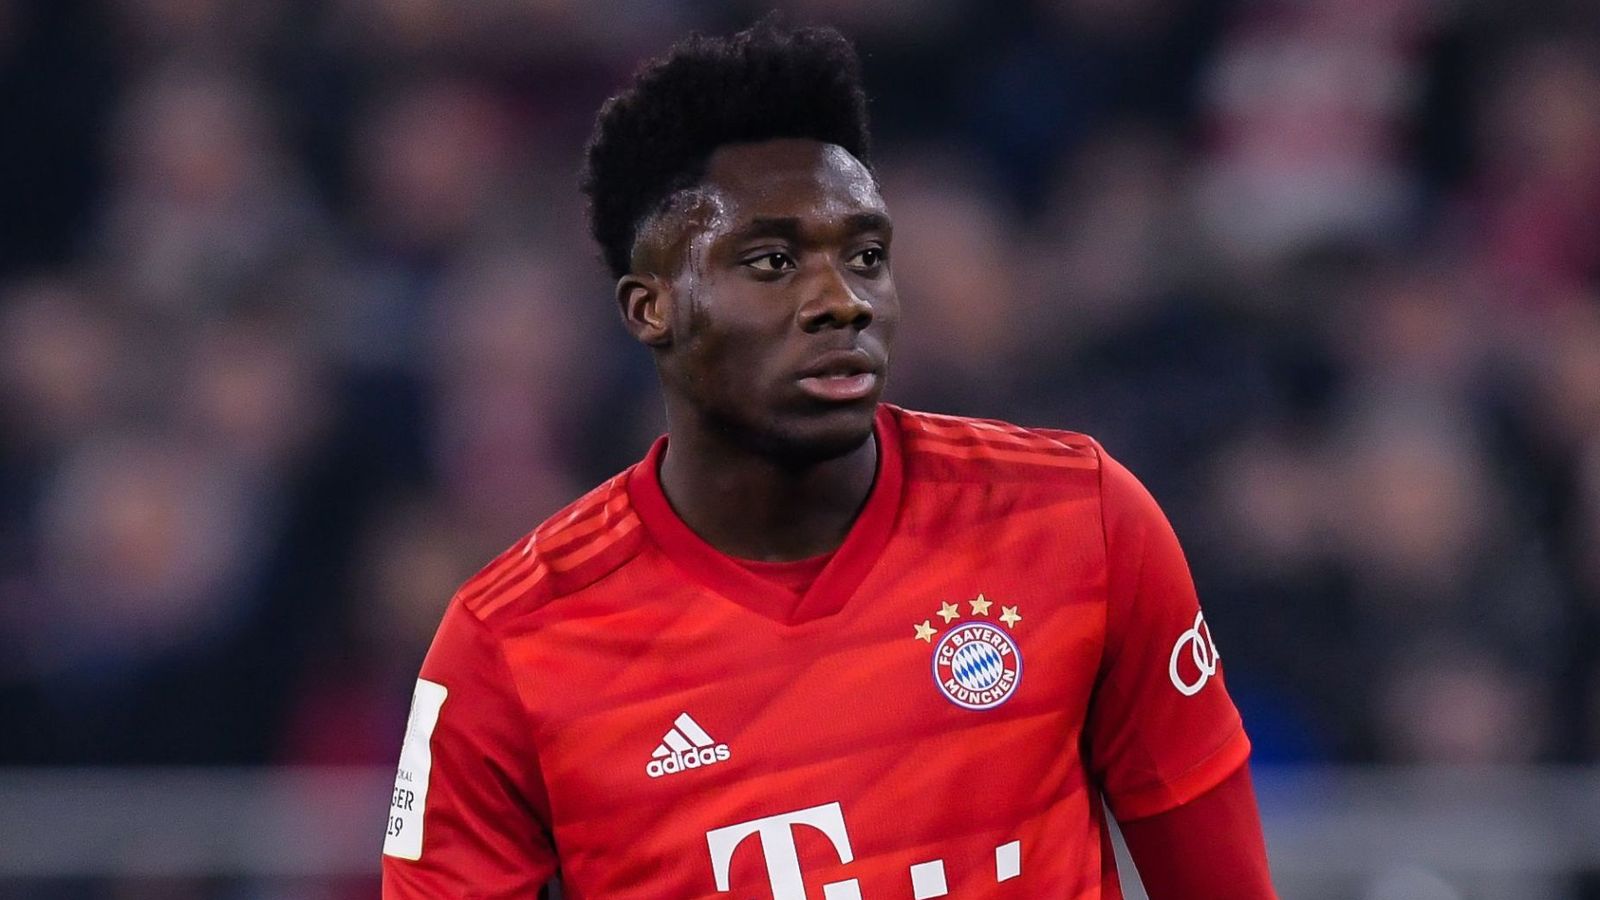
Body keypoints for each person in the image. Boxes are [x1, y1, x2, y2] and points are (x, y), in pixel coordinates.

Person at [381, 22, 1275, 900]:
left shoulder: (1079, 520)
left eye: (866, 256)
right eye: (772, 261)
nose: (841, 301)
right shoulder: (508, 649)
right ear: (651, 308)